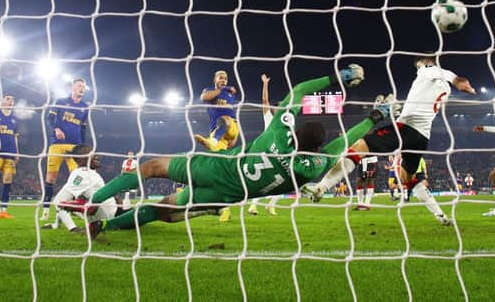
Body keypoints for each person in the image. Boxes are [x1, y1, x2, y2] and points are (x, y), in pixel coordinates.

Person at [63, 65, 393, 239]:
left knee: (149, 168)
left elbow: (300, 91)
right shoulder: (313, 166)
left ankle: (92, 203)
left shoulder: (278, 131)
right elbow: (346, 140)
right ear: (318, 147)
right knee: (163, 209)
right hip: (226, 197)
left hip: (216, 168)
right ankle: (105, 227)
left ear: (294, 131)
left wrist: (339, 77)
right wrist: (376, 116)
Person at [302, 55, 475, 225]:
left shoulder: (427, 70)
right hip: (422, 137)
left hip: (406, 129)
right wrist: (398, 109)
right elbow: (423, 103)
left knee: (358, 147)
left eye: (419, 65)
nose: (418, 69)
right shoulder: (444, 89)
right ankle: (441, 216)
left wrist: (458, 80)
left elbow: (446, 74)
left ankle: (321, 187)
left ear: (426, 63)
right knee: (408, 179)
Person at [41, 78, 89, 221]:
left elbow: (83, 128)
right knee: (51, 178)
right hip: (57, 145)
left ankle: (74, 209)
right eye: (79, 86)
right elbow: (49, 119)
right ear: (73, 87)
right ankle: (45, 210)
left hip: (75, 147)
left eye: (83, 87)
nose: (82, 88)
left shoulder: (85, 107)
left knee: (77, 178)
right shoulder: (60, 102)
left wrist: (84, 147)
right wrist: (56, 128)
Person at [42, 145, 119, 232]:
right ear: (80, 160)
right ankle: (73, 226)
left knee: (65, 203)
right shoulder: (82, 175)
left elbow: (58, 202)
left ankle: (74, 228)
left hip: (104, 217)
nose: (97, 156)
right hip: (109, 214)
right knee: (70, 203)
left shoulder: (80, 174)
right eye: (92, 154)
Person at [248, 74, 283, 216]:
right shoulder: (269, 117)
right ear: (274, 109)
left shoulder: (285, 124)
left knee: (285, 181)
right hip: (264, 152)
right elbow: (265, 100)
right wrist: (265, 83)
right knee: (260, 180)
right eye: (279, 107)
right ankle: (253, 206)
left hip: (279, 154)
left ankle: (271, 206)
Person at [195, 70, 239, 152]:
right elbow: (204, 97)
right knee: (216, 154)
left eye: (225, 79)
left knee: (225, 118)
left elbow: (233, 114)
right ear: (215, 80)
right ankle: (212, 142)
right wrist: (224, 88)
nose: (224, 80)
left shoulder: (230, 95)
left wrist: (235, 137)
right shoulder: (209, 90)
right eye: (221, 78)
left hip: (231, 126)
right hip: (216, 130)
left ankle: (213, 141)